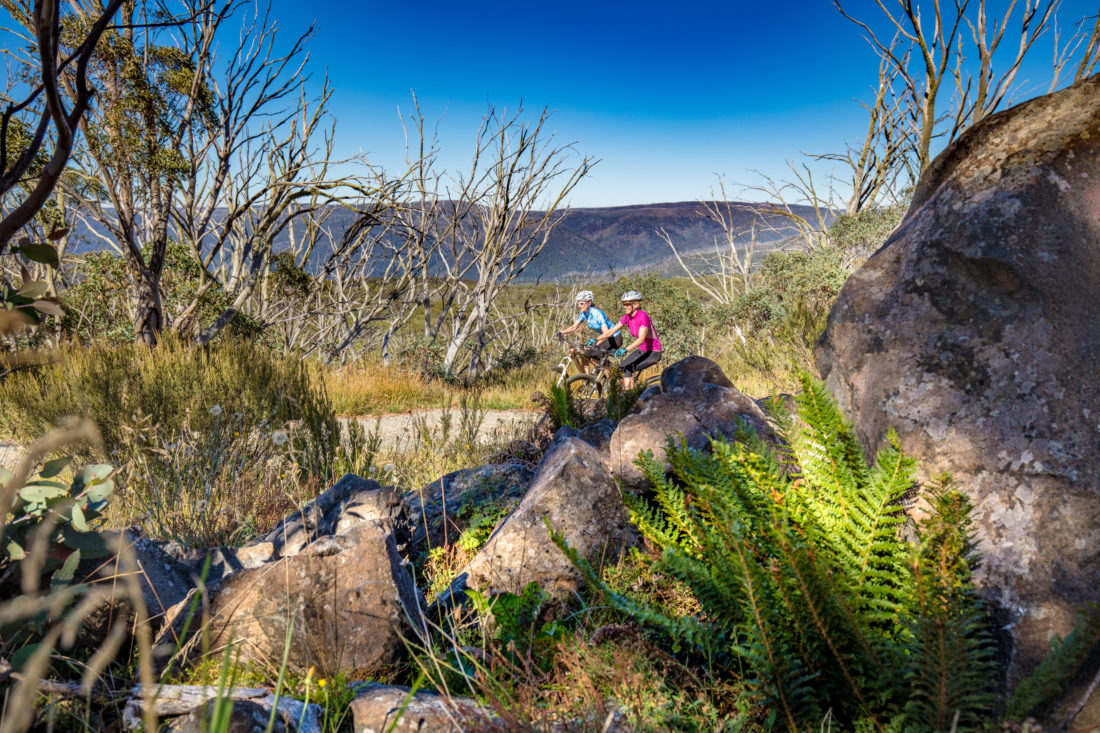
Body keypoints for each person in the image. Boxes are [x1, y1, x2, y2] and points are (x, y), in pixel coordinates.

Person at [596, 290, 662, 388]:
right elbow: (611, 331)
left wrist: (625, 350)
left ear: (635, 305)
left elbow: (641, 339)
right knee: (623, 367)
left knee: (627, 368)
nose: (625, 307)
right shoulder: (627, 317)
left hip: (653, 352)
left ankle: (628, 397)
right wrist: (596, 339)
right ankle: (630, 392)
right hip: (642, 351)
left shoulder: (643, 316)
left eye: (627, 304)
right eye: (623, 304)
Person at [557, 290, 621, 373]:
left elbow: (606, 333)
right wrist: (561, 332)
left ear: (589, 303)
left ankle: (611, 381)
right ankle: (587, 380)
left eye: (582, 303)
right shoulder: (584, 314)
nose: (579, 306)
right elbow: (574, 327)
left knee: (594, 357)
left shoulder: (597, 313)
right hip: (604, 338)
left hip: (614, 338)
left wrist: (595, 343)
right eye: (578, 303)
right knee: (585, 357)